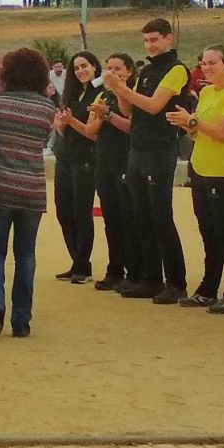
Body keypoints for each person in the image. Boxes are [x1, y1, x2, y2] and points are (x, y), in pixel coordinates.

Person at [103, 18, 189, 304]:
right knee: (141, 216)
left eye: (154, 40)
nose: (150, 45)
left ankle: (176, 281)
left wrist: (122, 88)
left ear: (168, 39)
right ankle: (151, 277)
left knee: (160, 216)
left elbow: (154, 106)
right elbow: (129, 110)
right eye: (146, 41)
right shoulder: (147, 69)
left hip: (159, 149)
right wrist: (118, 89)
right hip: (137, 149)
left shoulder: (176, 70)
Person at [0, 48, 56, 338]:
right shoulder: (47, 107)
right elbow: (44, 138)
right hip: (32, 188)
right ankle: (21, 320)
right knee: (26, 254)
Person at [168, 45, 224, 313]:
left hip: (221, 170)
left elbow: (223, 133)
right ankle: (208, 288)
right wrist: (188, 125)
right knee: (208, 232)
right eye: (204, 63)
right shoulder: (205, 91)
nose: (208, 67)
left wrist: (191, 122)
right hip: (200, 166)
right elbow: (200, 130)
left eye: (213, 62)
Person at [50, 52, 102, 283]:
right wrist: (61, 125)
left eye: (85, 66)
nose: (81, 70)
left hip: (86, 159)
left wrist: (70, 121)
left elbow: (92, 133)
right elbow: (64, 129)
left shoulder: (99, 94)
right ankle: (77, 261)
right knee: (63, 211)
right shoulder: (70, 94)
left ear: (94, 67)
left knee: (81, 212)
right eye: (77, 67)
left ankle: (82, 264)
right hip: (65, 157)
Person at [88, 54, 135, 291]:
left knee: (128, 218)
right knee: (111, 218)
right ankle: (115, 269)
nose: (112, 73)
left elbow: (130, 126)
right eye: (109, 68)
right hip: (104, 159)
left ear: (129, 72)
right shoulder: (102, 94)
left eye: (118, 69)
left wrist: (108, 113)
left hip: (125, 160)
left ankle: (133, 270)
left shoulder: (131, 93)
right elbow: (92, 130)